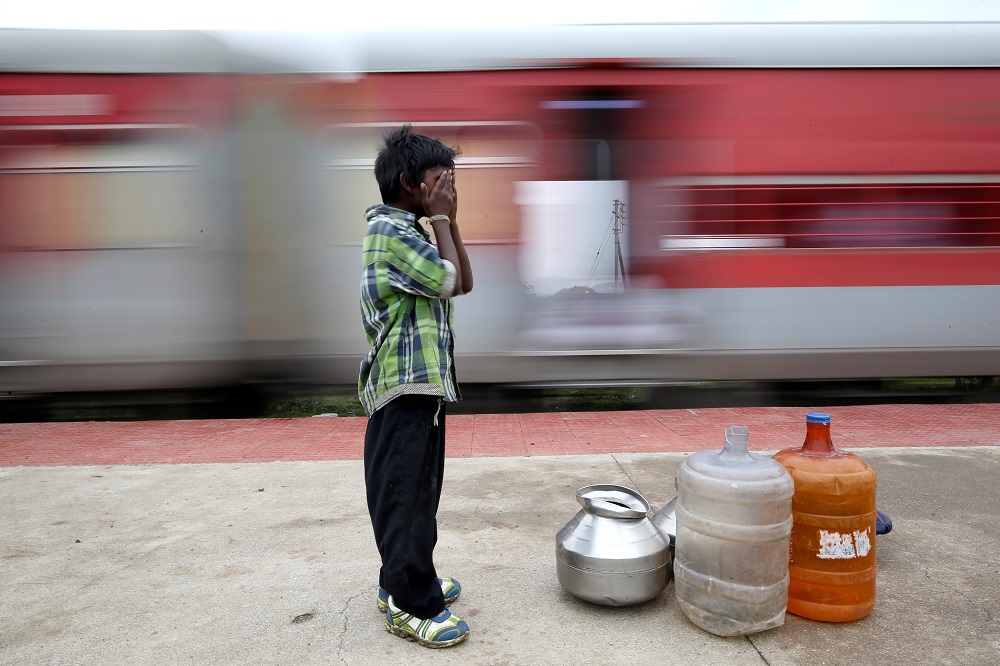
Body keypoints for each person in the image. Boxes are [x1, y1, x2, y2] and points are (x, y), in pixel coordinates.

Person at [358, 125, 474, 648]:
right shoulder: (389, 231)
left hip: (421, 386)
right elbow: (449, 280)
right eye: (440, 179)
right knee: (405, 496)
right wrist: (444, 218)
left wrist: (447, 219)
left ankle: (401, 578)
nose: (449, 186)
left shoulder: (414, 229)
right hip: (403, 385)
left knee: (420, 495)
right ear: (408, 182)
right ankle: (410, 603)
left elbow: (463, 281)